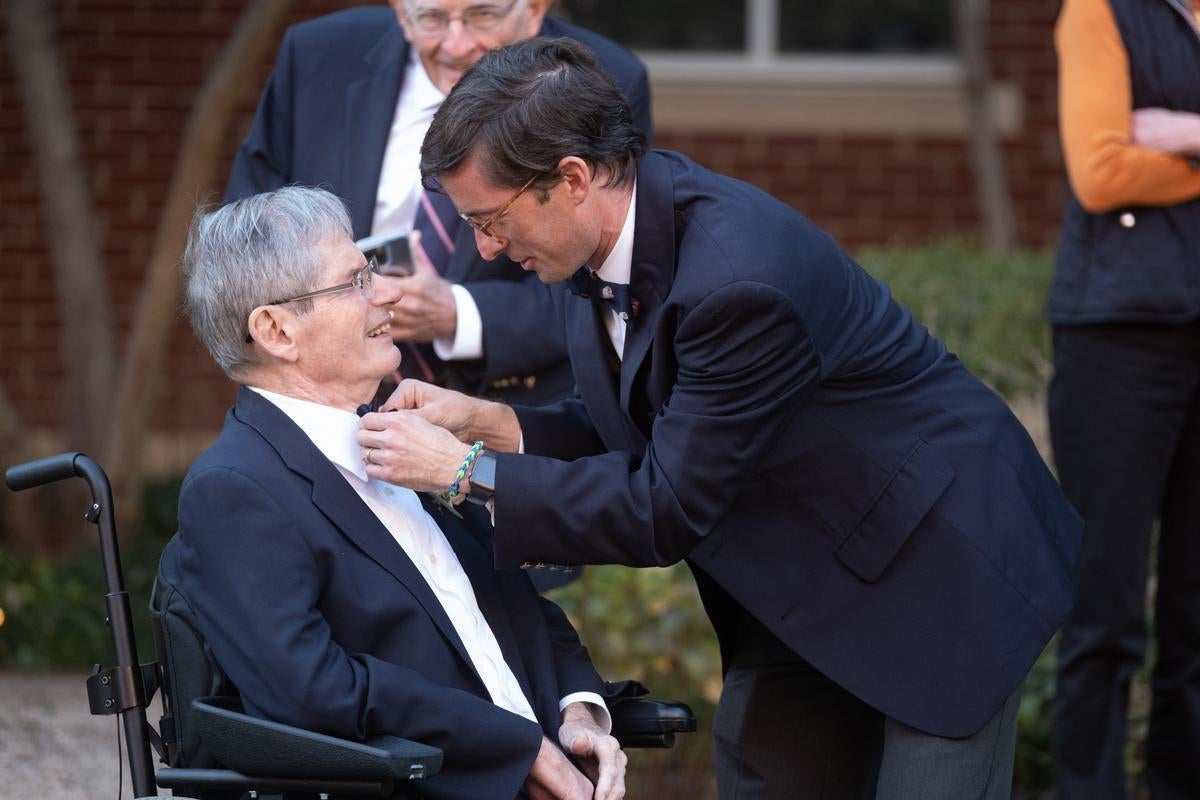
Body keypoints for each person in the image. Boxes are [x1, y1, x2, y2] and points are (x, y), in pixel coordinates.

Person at [354, 38, 1084, 800]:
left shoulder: (737, 282)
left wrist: (464, 473)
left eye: (491, 219)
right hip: (802, 565)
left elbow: (663, 508)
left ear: (571, 179)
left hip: (938, 566)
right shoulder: (600, 241)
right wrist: (493, 424)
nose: (485, 248)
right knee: (763, 771)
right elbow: (652, 425)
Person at [176, 185, 629, 800]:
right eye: (355, 282)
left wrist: (578, 712)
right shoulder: (235, 489)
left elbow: (517, 609)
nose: (388, 293)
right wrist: (520, 750)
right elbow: (311, 693)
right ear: (276, 330)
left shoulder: (402, 442)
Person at [224, 0, 652, 409]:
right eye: (431, 16)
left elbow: (613, 271)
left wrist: (460, 314)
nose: (456, 44)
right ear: (401, 12)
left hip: (509, 407)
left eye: (483, 14)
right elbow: (247, 245)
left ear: (534, 10)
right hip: (320, 395)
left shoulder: (596, 78)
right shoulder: (318, 54)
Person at [1049, 1, 1200, 798]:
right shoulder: (1101, 11)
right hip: (1120, 342)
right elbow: (1102, 173)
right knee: (1104, 610)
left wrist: (1184, 133)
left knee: (1197, 612)